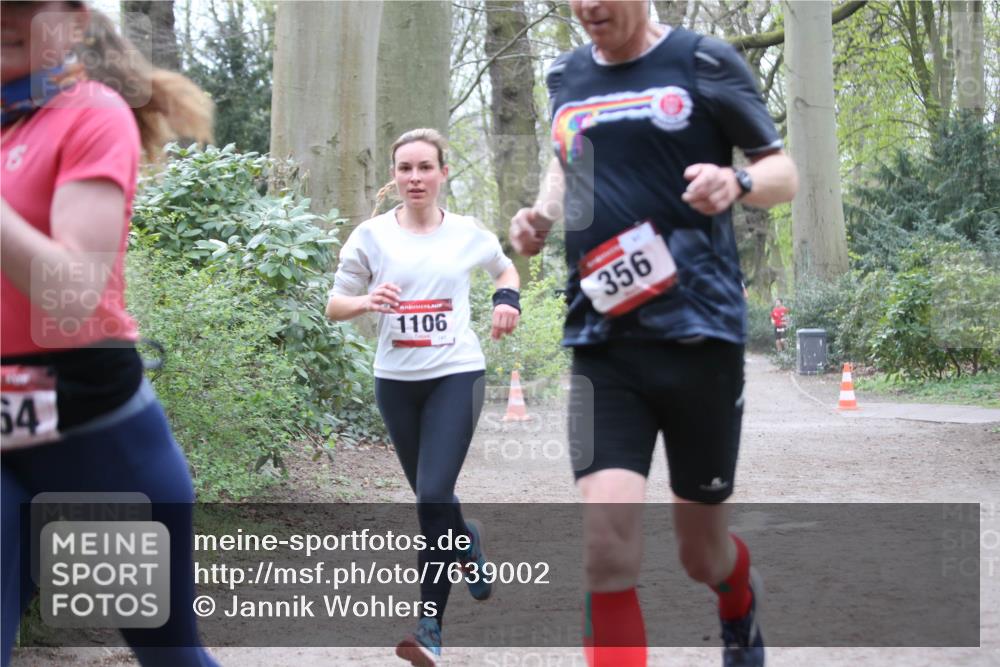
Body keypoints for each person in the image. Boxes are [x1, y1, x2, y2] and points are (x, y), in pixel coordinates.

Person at [509, 1, 798, 666]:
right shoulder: (565, 75)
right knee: (606, 545)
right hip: (601, 338)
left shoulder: (703, 61)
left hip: (699, 334)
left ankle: (737, 599)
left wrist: (738, 180)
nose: (588, 6)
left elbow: (782, 171)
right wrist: (543, 216)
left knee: (702, 553)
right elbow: (566, 160)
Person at [1, 2, 218, 666]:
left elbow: (69, 293)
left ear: (71, 19)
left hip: (96, 447)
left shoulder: (92, 115)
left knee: (170, 657)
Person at [325, 128, 521, 667]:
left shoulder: (466, 233)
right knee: (435, 502)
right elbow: (334, 305)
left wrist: (507, 299)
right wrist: (366, 301)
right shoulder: (369, 236)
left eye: (425, 167)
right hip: (396, 382)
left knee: (432, 494)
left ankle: (429, 628)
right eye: (405, 168)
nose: (415, 177)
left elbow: (504, 266)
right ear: (394, 174)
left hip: (456, 374)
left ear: (443, 173)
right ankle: (469, 543)